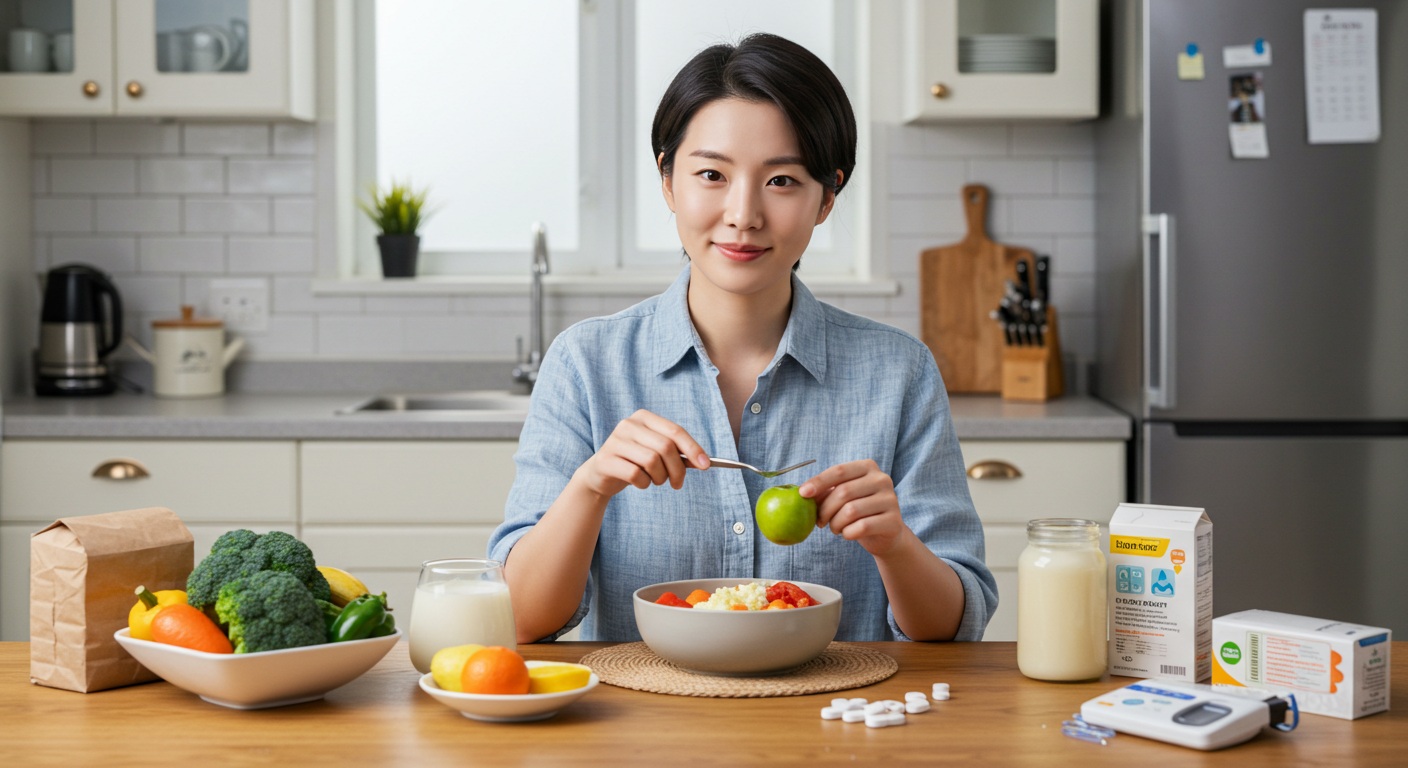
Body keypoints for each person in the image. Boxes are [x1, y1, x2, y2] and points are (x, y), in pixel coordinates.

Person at [488, 33, 996, 643]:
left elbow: (953, 629)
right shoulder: (585, 364)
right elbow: (518, 618)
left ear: (827, 196)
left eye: (781, 181)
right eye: (711, 174)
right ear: (669, 181)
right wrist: (591, 487)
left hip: (845, 731)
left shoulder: (900, 372)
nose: (743, 214)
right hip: (639, 735)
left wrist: (894, 545)